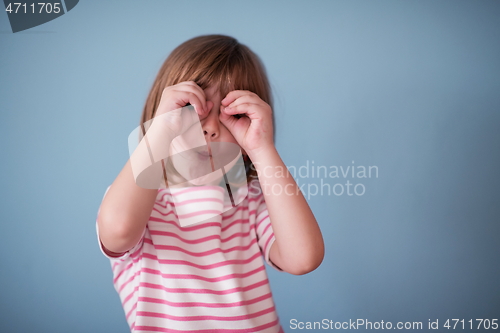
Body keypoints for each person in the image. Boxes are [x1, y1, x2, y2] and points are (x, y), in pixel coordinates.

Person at [96, 34, 324, 332]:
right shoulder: (141, 202)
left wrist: (262, 149)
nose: (211, 129)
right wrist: (160, 131)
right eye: (192, 108)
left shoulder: (250, 200)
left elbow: (304, 258)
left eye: (233, 115)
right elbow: (118, 231)